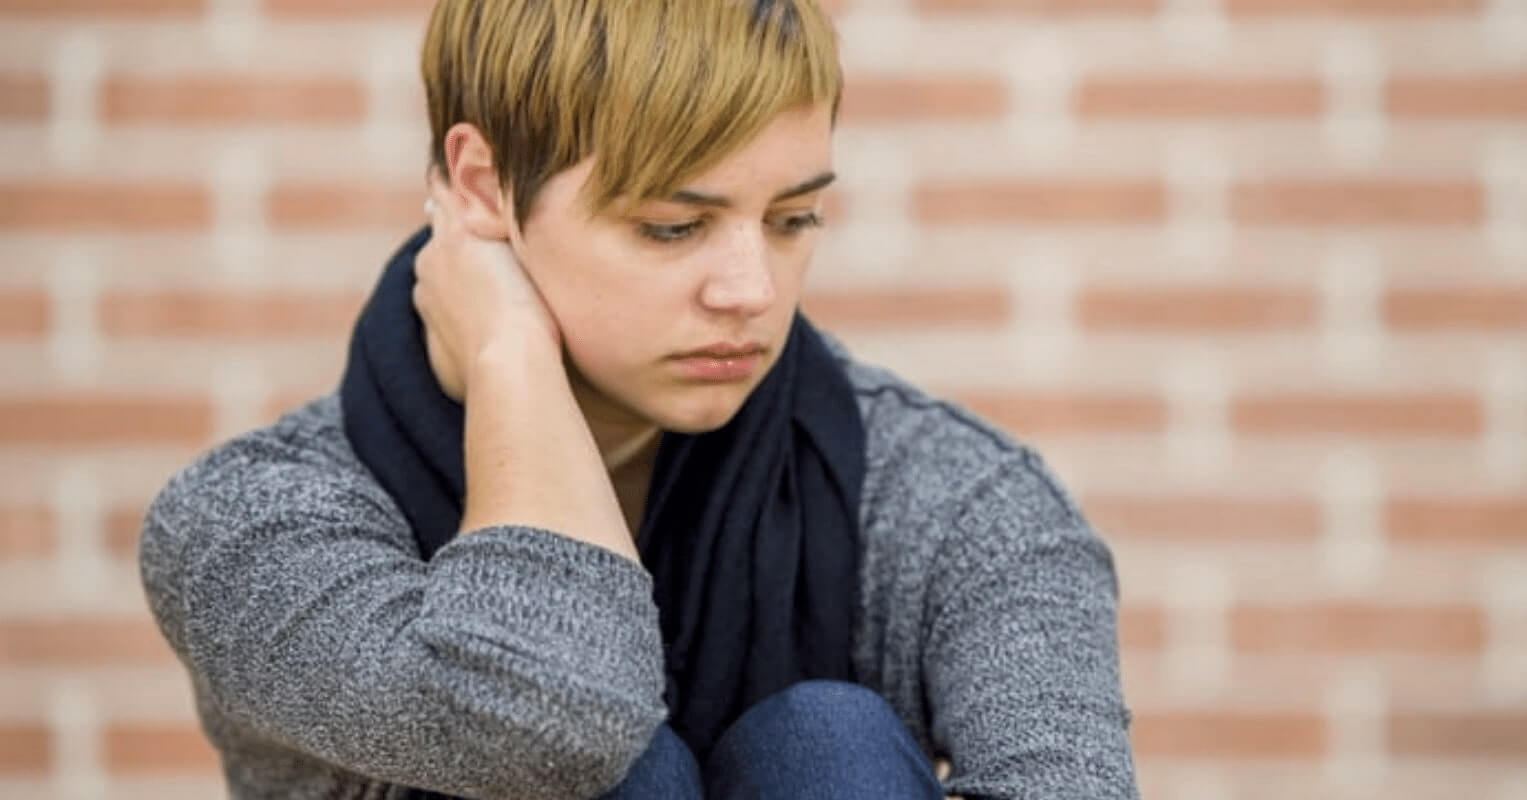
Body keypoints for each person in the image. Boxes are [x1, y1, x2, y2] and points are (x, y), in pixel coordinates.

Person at [137, 0, 1139, 797]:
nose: (750, 290)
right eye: (672, 226)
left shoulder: (955, 499)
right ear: (481, 185)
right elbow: (549, 728)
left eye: (793, 218)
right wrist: (511, 355)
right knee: (618, 773)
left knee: (825, 748)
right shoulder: (254, 525)